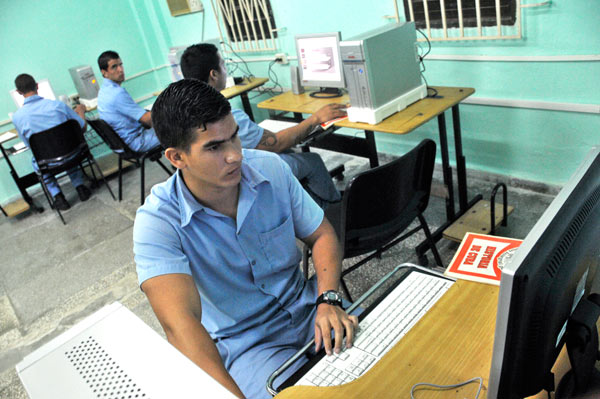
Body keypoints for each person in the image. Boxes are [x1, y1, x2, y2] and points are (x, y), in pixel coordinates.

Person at [133, 79, 357, 399]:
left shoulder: (270, 168)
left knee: (396, 359)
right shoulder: (157, 224)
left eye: (234, 136)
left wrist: (328, 299)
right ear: (177, 157)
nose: (235, 155)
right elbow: (181, 327)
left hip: (309, 307)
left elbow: (321, 235)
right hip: (248, 346)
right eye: (214, 147)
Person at [180, 43, 344, 208]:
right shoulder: (226, 116)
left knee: (290, 153)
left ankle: (312, 207)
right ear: (214, 74)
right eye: (223, 65)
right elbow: (275, 144)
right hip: (248, 174)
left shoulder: (184, 112)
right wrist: (315, 118)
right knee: (311, 160)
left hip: (217, 181)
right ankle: (337, 207)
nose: (226, 69)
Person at [11, 73, 92, 210]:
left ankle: (58, 197)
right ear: (37, 86)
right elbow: (82, 128)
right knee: (66, 147)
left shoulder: (18, 118)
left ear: (19, 92)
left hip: (47, 163)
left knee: (39, 158)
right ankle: (80, 187)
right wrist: (80, 111)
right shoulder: (58, 106)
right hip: (73, 154)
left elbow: (29, 145)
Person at [97, 50, 160, 152]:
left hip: (120, 145)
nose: (120, 70)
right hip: (136, 141)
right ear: (104, 73)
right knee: (178, 130)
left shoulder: (103, 91)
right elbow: (148, 120)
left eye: (120, 65)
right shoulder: (117, 94)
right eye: (114, 67)